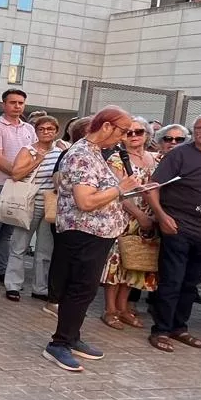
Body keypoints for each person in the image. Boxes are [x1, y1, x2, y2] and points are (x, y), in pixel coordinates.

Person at [43, 107, 142, 373]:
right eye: (123, 131)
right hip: (83, 232)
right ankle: (59, 343)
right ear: (107, 126)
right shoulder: (82, 155)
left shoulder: (96, 153)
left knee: (85, 289)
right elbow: (85, 201)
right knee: (79, 288)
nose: (123, 138)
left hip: (97, 233)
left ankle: (71, 336)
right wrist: (120, 189)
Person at [143, 115, 201, 350]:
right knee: (172, 280)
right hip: (179, 227)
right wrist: (162, 217)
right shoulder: (179, 154)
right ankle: (160, 330)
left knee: (191, 284)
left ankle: (179, 328)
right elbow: (152, 188)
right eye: (199, 128)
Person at [100, 118, 159, 331]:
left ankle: (124, 308)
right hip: (124, 217)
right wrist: (139, 215)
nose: (134, 136)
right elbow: (118, 193)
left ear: (147, 134)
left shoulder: (155, 159)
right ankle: (110, 309)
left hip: (149, 218)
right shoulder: (117, 159)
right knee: (115, 264)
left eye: (139, 132)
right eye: (129, 132)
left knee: (135, 263)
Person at [0, 89, 37, 288]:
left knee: (8, 233)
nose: (17, 106)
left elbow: (33, 155)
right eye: (13, 102)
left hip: (20, 188)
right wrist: (16, 172)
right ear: (4, 104)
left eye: (21, 103)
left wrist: (21, 175)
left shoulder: (29, 129)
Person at [7, 115, 67, 302]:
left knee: (45, 249)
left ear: (56, 131)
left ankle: (40, 288)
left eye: (50, 129)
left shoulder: (61, 152)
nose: (46, 132)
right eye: (42, 129)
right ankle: (13, 285)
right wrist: (38, 160)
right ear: (36, 131)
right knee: (19, 245)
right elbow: (16, 174)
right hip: (29, 203)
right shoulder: (28, 150)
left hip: (50, 205)